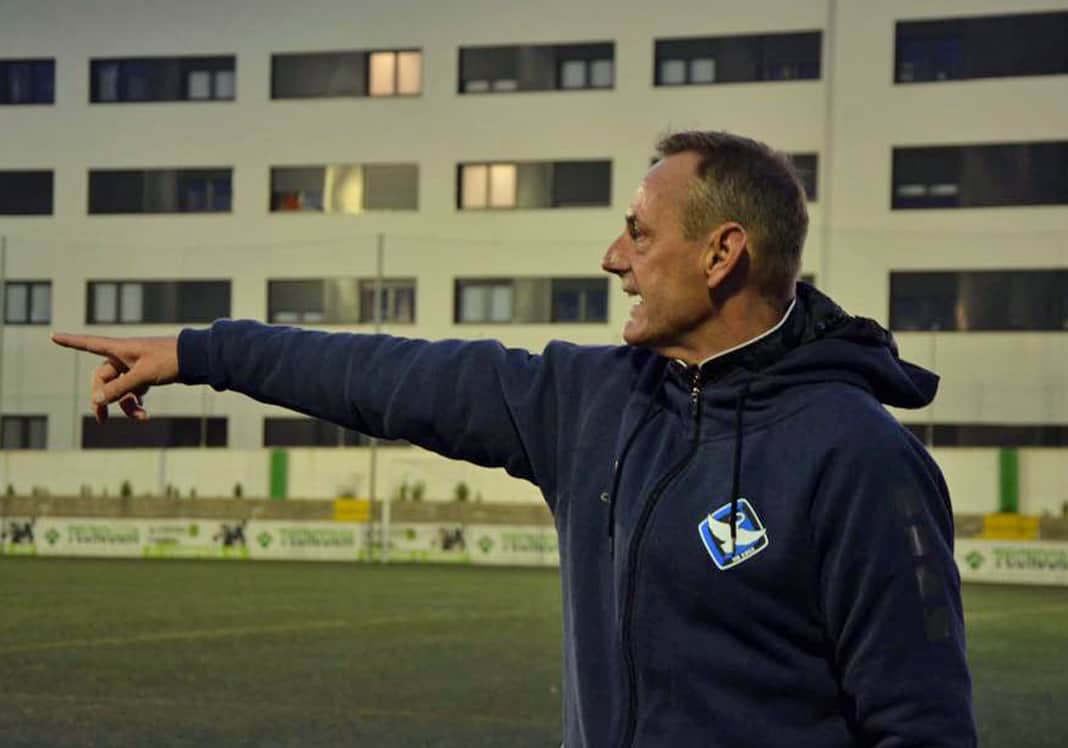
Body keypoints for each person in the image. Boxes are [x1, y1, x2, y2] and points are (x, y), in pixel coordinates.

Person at [52, 131, 976, 746]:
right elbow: (384, 376)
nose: (613, 258)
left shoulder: (859, 458)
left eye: (638, 233)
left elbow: (921, 725)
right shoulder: (591, 402)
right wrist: (199, 353)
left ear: (722, 252)